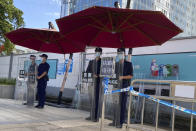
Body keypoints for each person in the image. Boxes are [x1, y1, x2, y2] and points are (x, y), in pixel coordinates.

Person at [110, 48, 133, 128]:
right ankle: (114, 120)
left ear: (124, 54)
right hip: (116, 87)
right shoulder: (115, 64)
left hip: (124, 87)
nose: (120, 55)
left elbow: (130, 76)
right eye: (118, 53)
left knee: (122, 105)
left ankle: (120, 122)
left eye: (121, 53)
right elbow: (112, 75)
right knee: (115, 104)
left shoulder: (128, 64)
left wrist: (122, 77)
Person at [86, 47, 102, 122]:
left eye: (98, 52)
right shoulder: (91, 62)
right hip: (91, 83)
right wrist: (92, 75)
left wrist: (98, 75)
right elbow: (87, 71)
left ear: (100, 53)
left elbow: (104, 73)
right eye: (96, 52)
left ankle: (96, 116)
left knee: (97, 100)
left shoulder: (102, 62)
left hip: (99, 84)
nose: (97, 53)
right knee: (91, 100)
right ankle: (91, 115)